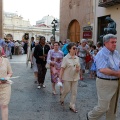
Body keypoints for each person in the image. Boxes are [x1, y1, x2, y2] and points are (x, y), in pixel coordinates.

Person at [87, 34, 120, 120]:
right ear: (105, 43)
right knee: (103, 107)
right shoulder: (101, 54)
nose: (115, 44)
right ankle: (90, 117)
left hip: (116, 82)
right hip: (104, 82)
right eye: (112, 42)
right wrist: (117, 73)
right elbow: (102, 70)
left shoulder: (116, 53)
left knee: (113, 109)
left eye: (115, 42)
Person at [59, 42, 80, 113]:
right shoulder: (65, 58)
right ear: (69, 49)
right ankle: (62, 98)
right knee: (67, 90)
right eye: (74, 48)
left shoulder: (77, 58)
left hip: (75, 77)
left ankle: (72, 105)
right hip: (67, 78)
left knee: (74, 92)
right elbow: (62, 69)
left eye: (76, 48)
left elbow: (78, 67)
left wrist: (78, 69)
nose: (75, 50)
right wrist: (60, 78)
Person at [0, 46, 13, 120]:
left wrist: (6, 78)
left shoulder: (5, 60)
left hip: (5, 86)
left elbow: (10, 72)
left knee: (4, 105)